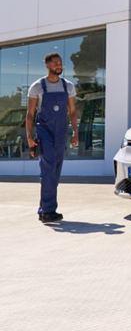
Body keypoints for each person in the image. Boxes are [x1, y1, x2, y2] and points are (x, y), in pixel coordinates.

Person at [26, 53, 80, 223]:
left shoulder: (68, 86)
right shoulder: (37, 87)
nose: (59, 65)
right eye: (55, 63)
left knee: (55, 170)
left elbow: (71, 112)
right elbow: (30, 114)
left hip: (61, 131)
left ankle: (43, 208)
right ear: (48, 65)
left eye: (60, 63)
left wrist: (75, 132)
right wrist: (29, 137)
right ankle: (49, 210)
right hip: (45, 131)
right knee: (48, 166)